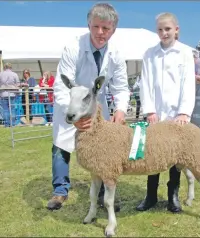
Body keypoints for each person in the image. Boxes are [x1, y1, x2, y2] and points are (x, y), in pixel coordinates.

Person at [47, 3, 130, 211]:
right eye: (96, 27)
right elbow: (61, 83)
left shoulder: (117, 54)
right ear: (88, 24)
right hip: (72, 103)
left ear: (113, 29)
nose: (100, 33)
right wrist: (73, 114)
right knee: (61, 145)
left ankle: (105, 193)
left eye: (106, 28)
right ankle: (60, 191)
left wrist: (120, 110)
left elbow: (121, 87)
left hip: (97, 107)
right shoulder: (73, 48)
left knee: (103, 149)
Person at [136, 12, 195, 213]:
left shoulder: (185, 53)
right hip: (156, 115)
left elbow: (188, 84)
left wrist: (184, 112)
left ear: (176, 30)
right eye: (160, 29)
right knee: (152, 154)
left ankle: (173, 196)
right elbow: (145, 83)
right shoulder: (149, 54)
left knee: (174, 156)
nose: (164, 33)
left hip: (177, 115)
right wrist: (149, 110)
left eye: (168, 29)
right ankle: (150, 195)